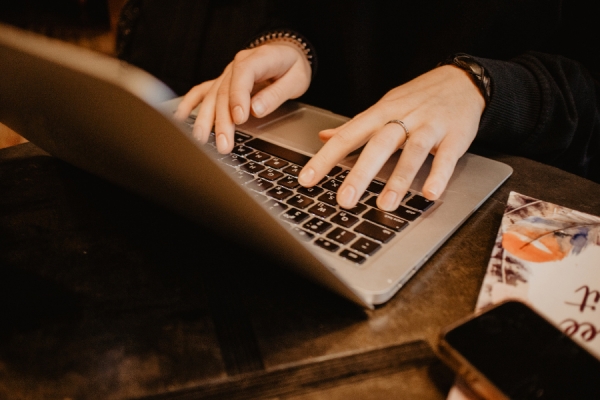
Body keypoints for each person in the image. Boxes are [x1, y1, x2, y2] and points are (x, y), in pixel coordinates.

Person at [118, 0, 599, 212]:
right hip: (316, 142)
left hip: (496, 175)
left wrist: (485, 85)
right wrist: (289, 43)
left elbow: (587, 83)